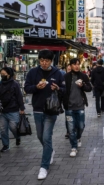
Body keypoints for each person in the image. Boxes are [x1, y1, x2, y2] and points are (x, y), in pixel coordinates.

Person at [24, 50, 65, 180]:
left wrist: (57, 88)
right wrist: (36, 87)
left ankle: (44, 166)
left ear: (51, 61)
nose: (44, 63)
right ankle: (50, 151)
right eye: (42, 60)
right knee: (40, 136)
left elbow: (64, 90)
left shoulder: (57, 73)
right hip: (37, 109)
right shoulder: (33, 72)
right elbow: (26, 88)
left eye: (46, 60)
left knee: (47, 137)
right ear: (39, 60)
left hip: (51, 110)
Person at [63, 58, 92, 157]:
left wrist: (83, 86)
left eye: (78, 64)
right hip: (69, 107)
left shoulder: (83, 76)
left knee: (81, 126)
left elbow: (89, 88)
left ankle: (78, 137)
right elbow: (62, 90)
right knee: (71, 129)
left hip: (80, 106)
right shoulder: (65, 77)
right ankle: (74, 147)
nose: (77, 66)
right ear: (70, 65)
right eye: (74, 64)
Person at [0, 67, 25, 152]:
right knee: (3, 130)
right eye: (1, 74)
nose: (2, 75)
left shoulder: (15, 84)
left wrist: (22, 108)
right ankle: (6, 145)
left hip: (13, 109)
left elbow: (19, 96)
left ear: (9, 75)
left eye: (4, 74)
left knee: (13, 127)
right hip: (3, 110)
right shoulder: (0, 84)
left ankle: (17, 137)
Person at [65, 63, 71, 139]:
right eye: (68, 69)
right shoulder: (64, 77)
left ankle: (73, 130)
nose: (69, 70)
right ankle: (68, 131)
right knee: (68, 117)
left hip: (76, 103)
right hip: (67, 102)